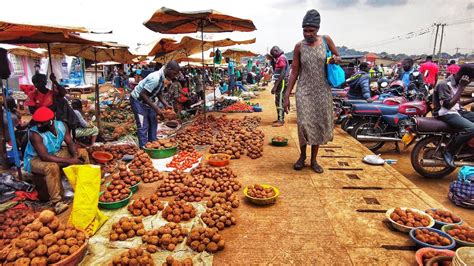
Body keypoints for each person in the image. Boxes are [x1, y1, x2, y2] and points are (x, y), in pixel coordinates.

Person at [284, 9, 341, 173]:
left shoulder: (326, 40)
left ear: (317, 29)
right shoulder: (299, 46)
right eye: (305, 30)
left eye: (311, 30)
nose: (307, 33)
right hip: (304, 90)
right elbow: (294, 71)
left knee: (317, 124)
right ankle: (302, 157)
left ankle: (314, 160)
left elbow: (338, 57)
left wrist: (336, 59)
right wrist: (287, 94)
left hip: (322, 90)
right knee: (303, 124)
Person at [23, 107, 89, 213]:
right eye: (37, 123)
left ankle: (87, 184)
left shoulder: (61, 126)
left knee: (83, 154)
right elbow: (44, 157)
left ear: (51, 120)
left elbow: (70, 142)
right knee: (51, 167)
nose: (39, 125)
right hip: (35, 159)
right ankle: (57, 202)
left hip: (55, 153)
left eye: (41, 123)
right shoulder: (34, 134)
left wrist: (75, 155)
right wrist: (70, 161)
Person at [130, 61, 180, 148]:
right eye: (174, 73)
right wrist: (157, 109)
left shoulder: (163, 78)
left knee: (153, 121)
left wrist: (165, 104)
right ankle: (144, 149)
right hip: (138, 101)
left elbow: (158, 92)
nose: (174, 76)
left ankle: (153, 143)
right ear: (168, 69)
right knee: (143, 125)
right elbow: (143, 94)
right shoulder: (156, 78)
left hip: (148, 101)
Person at [432, 64, 474, 168]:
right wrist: (462, 87)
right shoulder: (445, 84)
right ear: (466, 77)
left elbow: (457, 104)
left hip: (457, 111)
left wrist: (472, 99)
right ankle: (449, 151)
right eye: (471, 79)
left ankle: (467, 148)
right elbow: (448, 106)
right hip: (444, 113)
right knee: (471, 128)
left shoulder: (457, 84)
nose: (471, 81)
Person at [270, 46, 290, 127]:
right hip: (281, 81)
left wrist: (275, 86)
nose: (273, 56)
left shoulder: (281, 58)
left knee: (280, 100)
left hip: (281, 82)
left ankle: (281, 120)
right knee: (278, 100)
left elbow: (282, 73)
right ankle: (279, 118)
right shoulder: (281, 58)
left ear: (276, 50)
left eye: (273, 54)